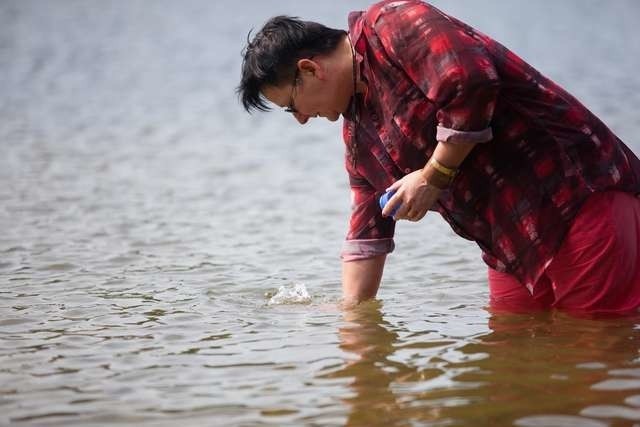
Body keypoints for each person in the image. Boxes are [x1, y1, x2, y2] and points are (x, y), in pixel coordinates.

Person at [237, 0, 640, 314]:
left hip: (574, 198)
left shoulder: (391, 24)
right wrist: (352, 317)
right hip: (511, 244)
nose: (303, 120)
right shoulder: (359, 134)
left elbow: (470, 80)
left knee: (596, 348)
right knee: (509, 355)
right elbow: (367, 226)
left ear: (310, 69)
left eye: (293, 106)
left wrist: (433, 174)